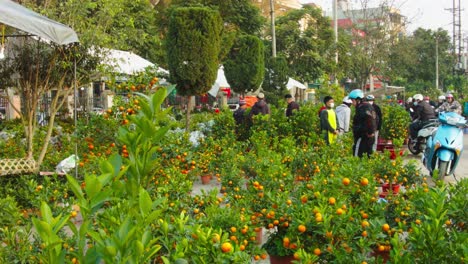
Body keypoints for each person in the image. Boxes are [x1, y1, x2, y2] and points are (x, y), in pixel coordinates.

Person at [348, 89, 377, 158]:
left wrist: (369, 132)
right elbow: (376, 119)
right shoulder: (368, 106)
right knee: (368, 157)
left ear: (358, 100)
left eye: (352, 100)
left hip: (363, 137)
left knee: (357, 157)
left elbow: (369, 119)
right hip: (368, 137)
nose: (352, 103)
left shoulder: (363, 108)